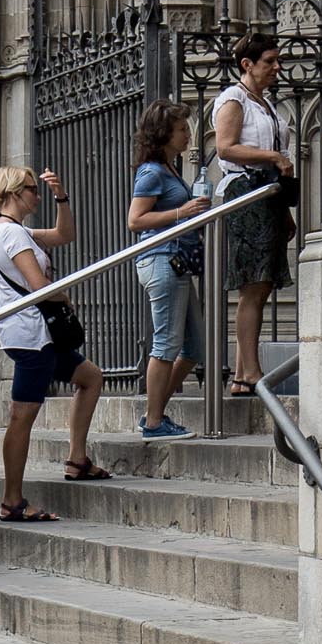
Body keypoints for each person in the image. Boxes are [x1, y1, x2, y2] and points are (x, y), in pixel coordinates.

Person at [0, 164, 108, 522]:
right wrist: (65, 298)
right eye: (30, 189)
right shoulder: (11, 235)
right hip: (32, 336)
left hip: (38, 336)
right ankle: (12, 500)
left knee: (91, 377)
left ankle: (77, 459)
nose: (35, 195)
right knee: (21, 418)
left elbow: (64, 234)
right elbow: (38, 285)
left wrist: (62, 197)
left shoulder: (13, 231)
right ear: (11, 193)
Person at [211, 32, 294, 398]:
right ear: (247, 64)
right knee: (253, 284)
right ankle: (249, 370)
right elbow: (225, 148)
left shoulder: (266, 103)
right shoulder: (233, 99)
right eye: (269, 62)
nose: (277, 68)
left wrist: (286, 212)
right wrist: (272, 157)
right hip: (245, 192)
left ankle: (245, 372)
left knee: (262, 285)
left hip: (268, 195)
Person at [128, 100, 206, 439]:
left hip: (177, 261)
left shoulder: (170, 169)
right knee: (166, 344)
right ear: (163, 134)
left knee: (194, 348)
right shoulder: (151, 172)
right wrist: (182, 212)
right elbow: (136, 220)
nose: (188, 135)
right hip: (162, 259)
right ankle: (155, 420)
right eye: (181, 130)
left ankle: (156, 411)